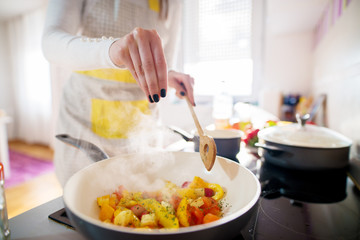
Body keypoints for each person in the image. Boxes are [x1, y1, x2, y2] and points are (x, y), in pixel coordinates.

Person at [42, 0, 195, 186]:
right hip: (85, 129)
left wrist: (168, 74)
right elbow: (51, 42)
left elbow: (165, 59)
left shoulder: (173, 3)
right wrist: (110, 50)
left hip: (142, 132)